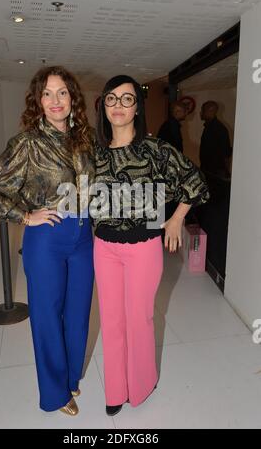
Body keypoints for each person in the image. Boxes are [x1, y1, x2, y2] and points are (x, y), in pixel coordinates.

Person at [0, 66, 95, 416]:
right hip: (47, 239)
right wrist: (25, 216)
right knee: (46, 316)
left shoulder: (85, 138)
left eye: (62, 93)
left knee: (78, 313)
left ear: (73, 99)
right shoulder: (27, 143)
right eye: (47, 93)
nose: (55, 101)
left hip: (83, 236)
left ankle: (71, 376)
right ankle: (55, 394)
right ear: (38, 101)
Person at [92, 75, 209, 416]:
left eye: (127, 99)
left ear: (137, 108)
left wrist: (175, 219)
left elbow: (195, 181)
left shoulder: (156, 149)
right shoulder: (96, 154)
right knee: (111, 319)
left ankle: (141, 385)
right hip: (105, 247)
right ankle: (115, 389)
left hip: (143, 247)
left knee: (138, 318)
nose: (118, 106)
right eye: (111, 99)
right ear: (103, 106)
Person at [199, 100, 232, 180]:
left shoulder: (219, 129)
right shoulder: (210, 127)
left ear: (211, 111)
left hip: (215, 173)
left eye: (203, 110)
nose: (201, 113)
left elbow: (226, 153)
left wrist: (224, 172)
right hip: (209, 170)